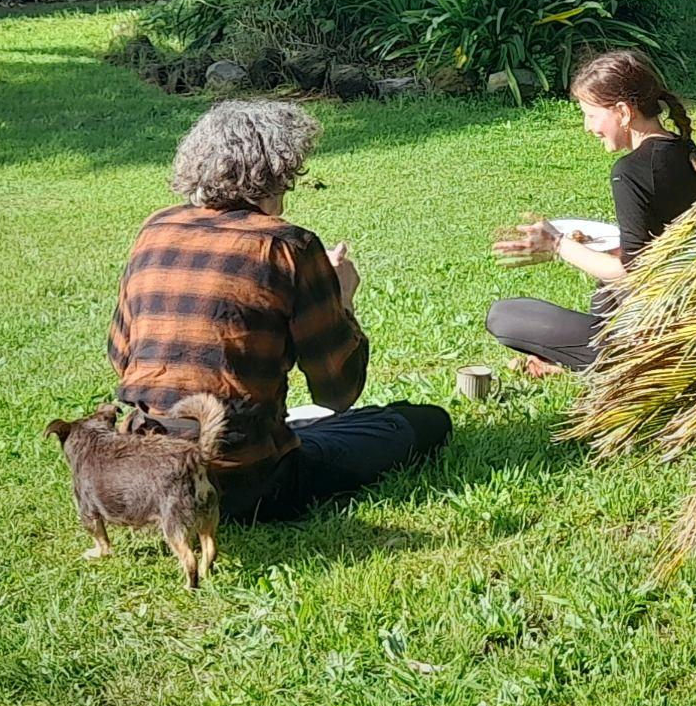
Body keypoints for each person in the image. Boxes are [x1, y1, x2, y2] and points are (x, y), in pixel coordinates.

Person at [111, 100, 450, 522]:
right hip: (243, 483)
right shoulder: (289, 246)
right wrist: (341, 298)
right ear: (274, 178)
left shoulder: (155, 228)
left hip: (146, 474)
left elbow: (120, 356)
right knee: (424, 421)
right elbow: (338, 392)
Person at [486, 50, 696, 373]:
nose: (587, 126)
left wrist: (558, 245)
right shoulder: (691, 155)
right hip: (693, 316)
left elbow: (633, 272)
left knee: (503, 316)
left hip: (654, 337)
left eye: (592, 115)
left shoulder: (631, 172)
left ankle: (606, 365)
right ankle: (583, 360)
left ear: (623, 112)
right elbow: (663, 248)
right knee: (603, 294)